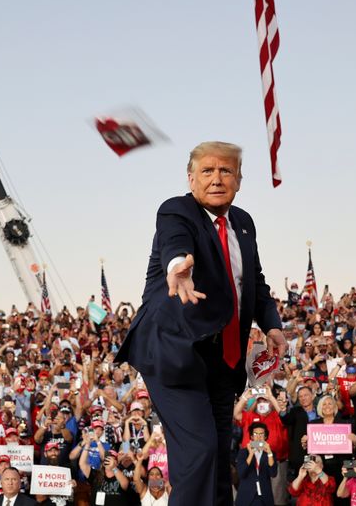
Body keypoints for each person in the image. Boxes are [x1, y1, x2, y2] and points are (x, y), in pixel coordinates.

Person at [115, 141, 285, 506]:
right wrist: (179, 266)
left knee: (219, 458)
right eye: (207, 171)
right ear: (191, 178)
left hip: (224, 360)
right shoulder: (177, 211)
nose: (217, 178)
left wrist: (271, 324)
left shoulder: (243, 223)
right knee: (200, 451)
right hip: (173, 354)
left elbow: (253, 280)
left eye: (226, 170)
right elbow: (176, 245)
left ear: (239, 179)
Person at [235, 422, 277, 506]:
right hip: (246, 495)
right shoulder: (243, 452)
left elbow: (273, 473)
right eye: (255, 434)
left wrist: (269, 453)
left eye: (261, 434)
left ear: (265, 437)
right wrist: (250, 454)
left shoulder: (270, 454)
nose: (258, 437)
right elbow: (241, 473)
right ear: (251, 437)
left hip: (264, 496)